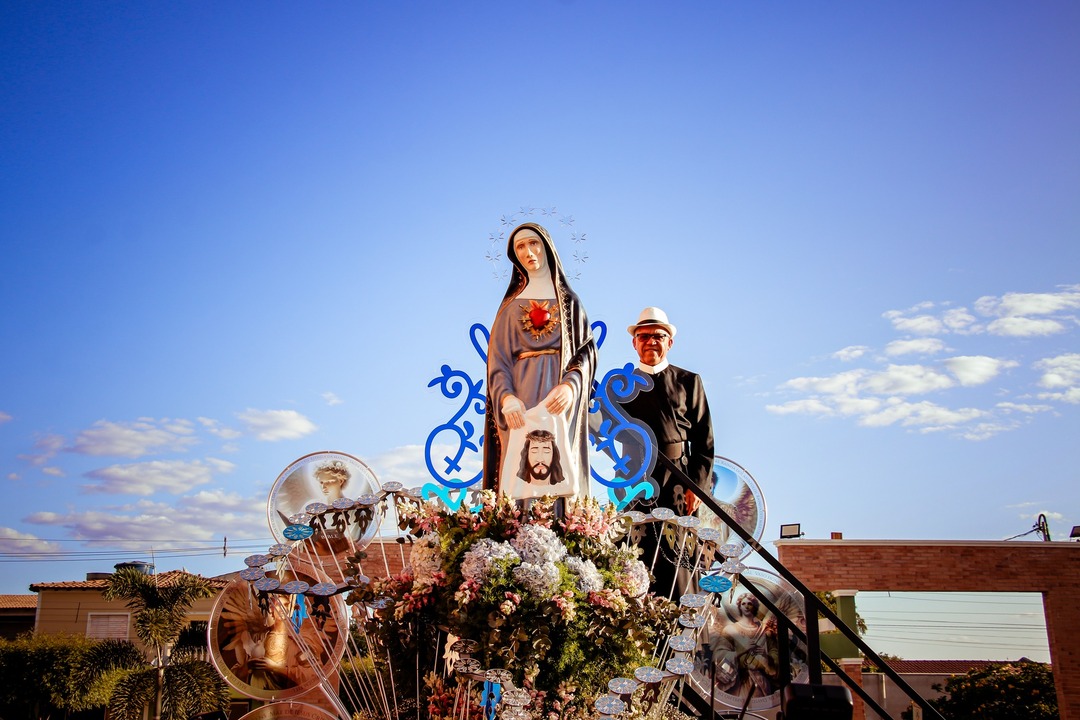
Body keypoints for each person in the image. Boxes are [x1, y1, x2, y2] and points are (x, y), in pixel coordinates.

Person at [483, 223, 596, 495]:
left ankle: (567, 530)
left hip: (557, 398)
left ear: (546, 247)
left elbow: (587, 350)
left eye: (533, 243)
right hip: (521, 396)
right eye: (519, 247)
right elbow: (497, 361)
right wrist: (506, 397)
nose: (527, 252)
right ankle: (515, 532)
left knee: (558, 464)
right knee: (521, 467)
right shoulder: (510, 307)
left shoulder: (569, 303)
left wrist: (571, 386)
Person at [618, 306, 714, 595]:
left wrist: (696, 487)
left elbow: (704, 440)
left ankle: (682, 633)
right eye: (643, 336)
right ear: (634, 342)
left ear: (669, 342)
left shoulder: (689, 381)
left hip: (679, 482)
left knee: (679, 559)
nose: (650, 341)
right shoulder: (621, 386)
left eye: (658, 336)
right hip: (635, 481)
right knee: (636, 556)